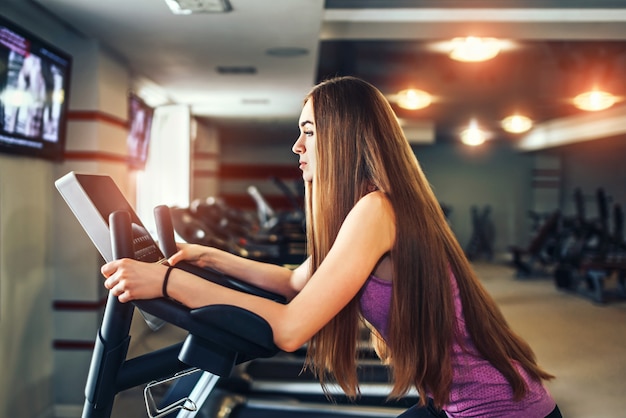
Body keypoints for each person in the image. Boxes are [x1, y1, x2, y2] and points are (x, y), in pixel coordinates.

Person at [102, 76, 562, 417]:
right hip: (457, 403)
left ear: (341, 138)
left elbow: (289, 329)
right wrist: (204, 256)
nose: (296, 145)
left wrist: (166, 281)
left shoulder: (377, 211)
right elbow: (293, 281)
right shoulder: (371, 208)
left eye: (309, 131)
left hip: (496, 409)